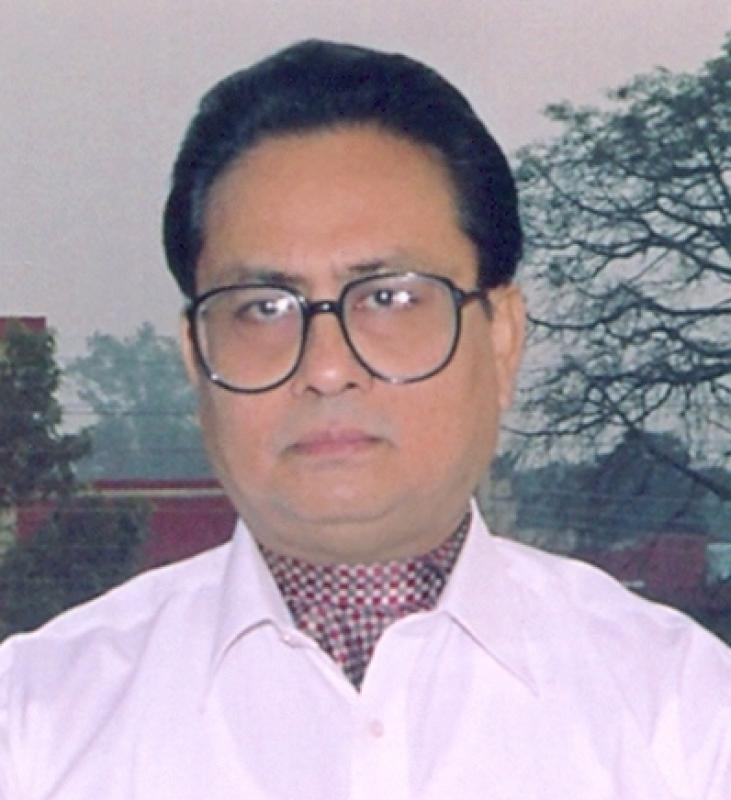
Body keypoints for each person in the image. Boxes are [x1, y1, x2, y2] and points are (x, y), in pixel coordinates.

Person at [1, 40, 730, 800]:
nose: (326, 367)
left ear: (502, 337)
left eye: (388, 298)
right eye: (263, 308)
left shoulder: (684, 715)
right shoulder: (36, 723)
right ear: (196, 355)